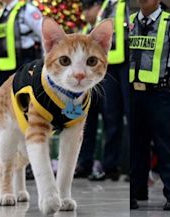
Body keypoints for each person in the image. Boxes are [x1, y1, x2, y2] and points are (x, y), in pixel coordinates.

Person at [129, 0, 170, 210]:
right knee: (136, 145)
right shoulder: (129, 22)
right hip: (134, 94)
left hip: (161, 93)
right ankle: (137, 191)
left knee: (165, 144)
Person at [0, 0, 43, 179]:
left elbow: (45, 35)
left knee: (26, 116)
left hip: (23, 69)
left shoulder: (27, 10)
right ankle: (1, 164)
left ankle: (29, 164)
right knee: (3, 119)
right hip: (1, 72)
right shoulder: (2, 13)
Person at [87, 0, 130, 182]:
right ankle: (110, 166)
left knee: (132, 116)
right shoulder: (105, 7)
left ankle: (132, 168)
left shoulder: (126, 4)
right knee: (111, 117)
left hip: (128, 63)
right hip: (110, 66)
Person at [74, 0, 103, 178]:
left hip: (104, 81)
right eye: (83, 9)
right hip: (84, 87)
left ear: (98, 7)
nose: (86, 13)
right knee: (85, 124)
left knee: (110, 121)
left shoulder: (102, 33)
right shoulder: (84, 33)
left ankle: (108, 165)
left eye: (89, 8)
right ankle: (84, 164)